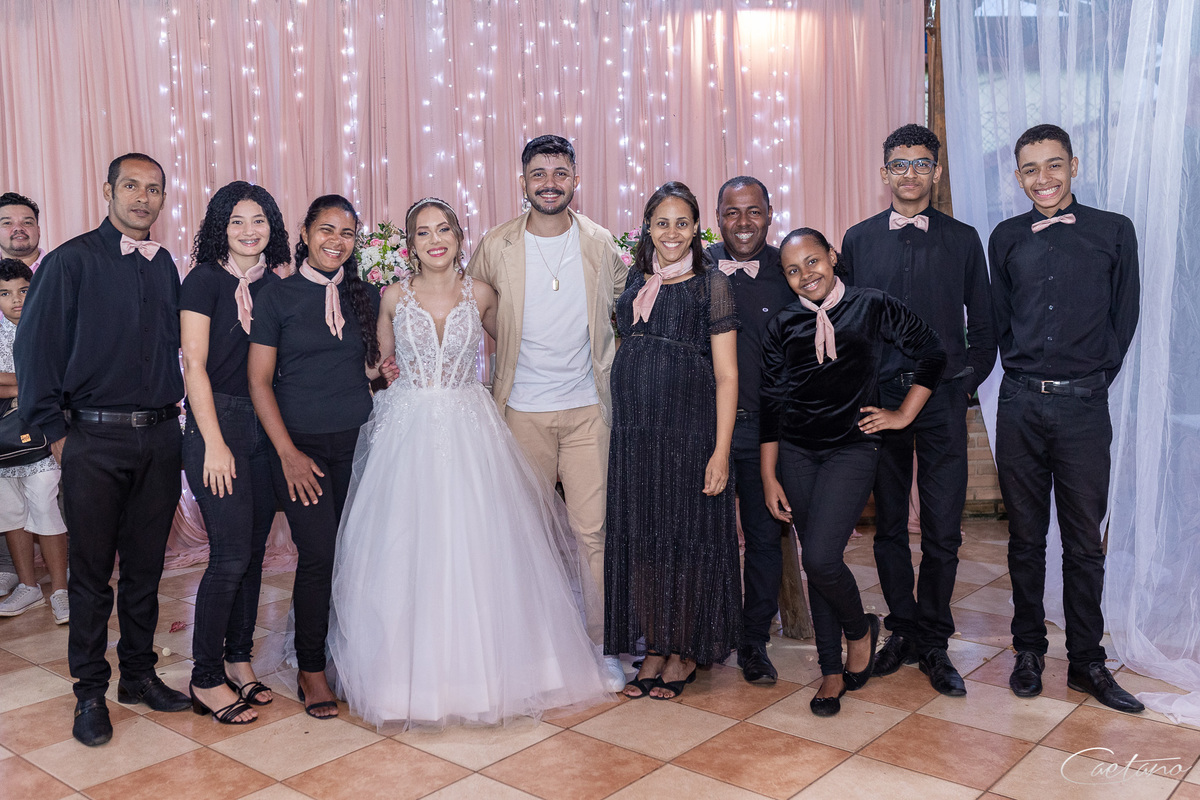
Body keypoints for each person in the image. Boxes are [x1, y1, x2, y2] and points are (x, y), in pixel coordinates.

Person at [328, 198, 612, 729]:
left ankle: (496, 674)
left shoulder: (480, 293)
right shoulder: (393, 296)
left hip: (470, 426)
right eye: (423, 232)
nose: (435, 239)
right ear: (410, 244)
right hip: (408, 427)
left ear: (460, 237)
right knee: (407, 546)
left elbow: (522, 343)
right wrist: (366, 353)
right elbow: (375, 363)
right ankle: (404, 683)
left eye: (444, 229)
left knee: (480, 546)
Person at [14, 153, 191, 747]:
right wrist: (58, 437)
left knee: (146, 570)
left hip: (161, 436)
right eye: (131, 186)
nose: (143, 198)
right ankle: (89, 691)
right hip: (92, 439)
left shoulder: (165, 265)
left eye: (154, 189)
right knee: (91, 577)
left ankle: (138, 675)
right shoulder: (68, 262)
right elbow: (34, 353)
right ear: (108, 191)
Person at [760, 228, 946, 717]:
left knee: (822, 558)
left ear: (832, 256)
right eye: (793, 270)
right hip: (797, 452)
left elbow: (933, 351)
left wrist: (902, 413)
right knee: (815, 560)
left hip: (852, 448)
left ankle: (859, 631)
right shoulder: (782, 324)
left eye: (813, 261)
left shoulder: (871, 304)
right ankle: (830, 669)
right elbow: (771, 403)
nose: (806, 275)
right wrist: (768, 474)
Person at [466, 135, 628, 692]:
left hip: (588, 412)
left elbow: (624, 310)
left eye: (560, 173)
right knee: (524, 535)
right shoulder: (497, 244)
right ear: (523, 182)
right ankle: (532, 649)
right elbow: (474, 308)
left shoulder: (600, 243)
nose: (550, 183)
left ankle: (601, 646)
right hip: (520, 413)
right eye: (539, 173)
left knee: (593, 535)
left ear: (576, 179)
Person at [989, 124, 1142, 713]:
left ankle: (1086, 662)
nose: (1043, 178)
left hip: (1083, 408)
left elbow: (1124, 318)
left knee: (1083, 543)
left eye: (1054, 165)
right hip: (1020, 405)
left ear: (1074, 166)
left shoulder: (1114, 231)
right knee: (1025, 539)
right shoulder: (1005, 237)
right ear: (1018, 176)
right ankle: (1028, 650)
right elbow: (1000, 319)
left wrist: (1091, 379)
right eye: (1030, 169)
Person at [841, 124, 996, 696]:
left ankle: (933, 639)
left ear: (937, 171)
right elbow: (842, 324)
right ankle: (902, 629)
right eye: (900, 164)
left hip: (940, 402)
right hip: (878, 402)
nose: (911, 174)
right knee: (887, 527)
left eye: (922, 164)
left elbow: (984, 329)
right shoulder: (858, 240)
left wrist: (959, 387)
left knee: (942, 528)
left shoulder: (964, 239)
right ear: (884, 173)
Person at [248, 194, 384, 720]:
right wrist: (287, 453)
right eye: (326, 229)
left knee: (356, 556)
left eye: (347, 233)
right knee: (320, 555)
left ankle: (350, 656)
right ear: (304, 234)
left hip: (359, 444)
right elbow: (259, 382)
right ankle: (310, 668)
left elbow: (370, 371)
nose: (336, 241)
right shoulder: (276, 296)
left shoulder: (365, 294)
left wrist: (383, 373)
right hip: (300, 449)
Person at [606, 181, 741, 700]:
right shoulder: (635, 280)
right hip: (636, 435)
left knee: (686, 540)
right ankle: (655, 646)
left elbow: (727, 375)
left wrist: (720, 452)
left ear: (696, 228)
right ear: (647, 227)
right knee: (645, 540)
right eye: (662, 222)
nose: (671, 232)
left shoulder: (712, 283)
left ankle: (683, 650)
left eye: (682, 223)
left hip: (690, 434)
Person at [180, 182, 292, 724]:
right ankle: (204, 678)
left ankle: (238, 659)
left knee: (252, 552)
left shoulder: (276, 285)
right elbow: (194, 367)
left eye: (259, 220)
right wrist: (214, 443)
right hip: (216, 424)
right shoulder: (203, 280)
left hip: (264, 424)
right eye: (237, 222)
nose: (249, 231)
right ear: (220, 228)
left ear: (273, 227)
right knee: (228, 556)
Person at [707, 176, 796, 685]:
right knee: (710, 539)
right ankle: (708, 634)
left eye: (754, 211)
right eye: (732, 212)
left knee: (765, 539)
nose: (743, 222)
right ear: (718, 217)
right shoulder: (696, 270)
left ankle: (754, 640)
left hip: (769, 434)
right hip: (709, 434)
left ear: (770, 213)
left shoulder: (790, 271)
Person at [0, 258, 68, 622]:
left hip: (43, 436)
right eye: (4, 293)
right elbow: (38, 381)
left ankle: (60, 590)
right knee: (11, 512)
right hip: (3, 442)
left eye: (23, 290)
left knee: (45, 506)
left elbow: (57, 379)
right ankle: (27, 586)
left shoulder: (50, 325)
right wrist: (30, 383)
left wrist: (16, 383)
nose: (15, 299)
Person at [0, 193, 46, 271]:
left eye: (27, 222)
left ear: (38, 230)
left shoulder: (60, 268)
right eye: (7, 223)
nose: (18, 228)